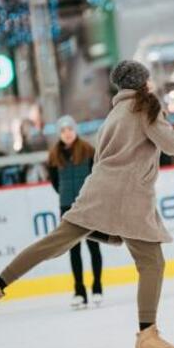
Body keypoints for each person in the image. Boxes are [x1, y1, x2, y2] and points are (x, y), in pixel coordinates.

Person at [0, 60, 174, 348]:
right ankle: (147, 335)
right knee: (152, 263)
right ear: (141, 82)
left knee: (52, 244)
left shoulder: (115, 113)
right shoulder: (145, 107)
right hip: (128, 198)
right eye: (147, 78)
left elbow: (101, 161)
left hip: (96, 192)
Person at [47, 115, 103, 308]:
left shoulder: (88, 150)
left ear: (75, 130)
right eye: (63, 131)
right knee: (74, 250)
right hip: (67, 207)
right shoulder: (54, 155)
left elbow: (97, 176)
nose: (67, 133)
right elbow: (55, 182)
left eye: (70, 129)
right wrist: (66, 197)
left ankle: (97, 287)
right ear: (59, 134)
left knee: (94, 246)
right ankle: (79, 291)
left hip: (87, 205)